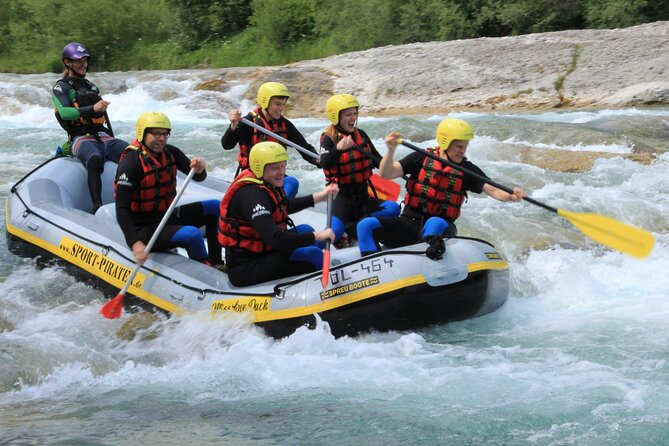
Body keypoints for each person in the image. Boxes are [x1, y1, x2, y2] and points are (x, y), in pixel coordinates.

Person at [356, 118, 525, 258]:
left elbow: (493, 189)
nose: (463, 151)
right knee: (365, 225)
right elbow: (387, 173)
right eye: (459, 146)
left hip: (441, 227)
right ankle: (374, 270)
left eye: (465, 146)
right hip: (409, 223)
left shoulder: (466, 170)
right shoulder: (421, 157)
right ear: (446, 142)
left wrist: (510, 196)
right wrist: (391, 150)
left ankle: (428, 258)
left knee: (434, 222)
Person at [218, 141, 336, 287]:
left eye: (283, 165)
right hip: (245, 267)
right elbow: (276, 239)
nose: (281, 172)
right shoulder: (252, 196)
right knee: (313, 254)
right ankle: (324, 291)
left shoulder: (264, 181)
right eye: (275, 168)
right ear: (259, 167)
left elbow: (283, 206)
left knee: (306, 230)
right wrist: (317, 236)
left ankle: (310, 274)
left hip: (264, 252)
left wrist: (320, 196)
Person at [115, 112, 222, 268]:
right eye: (156, 133)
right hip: (143, 228)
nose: (162, 138)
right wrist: (135, 243)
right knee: (192, 234)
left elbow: (199, 177)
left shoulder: (170, 152)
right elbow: (122, 208)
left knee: (214, 206)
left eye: (165, 134)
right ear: (142, 133)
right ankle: (207, 272)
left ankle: (217, 263)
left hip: (166, 216)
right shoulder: (131, 163)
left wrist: (199, 169)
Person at [52, 42, 129, 213]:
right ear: (67, 62)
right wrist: (93, 108)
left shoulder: (91, 87)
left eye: (85, 60)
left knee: (132, 153)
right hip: (79, 138)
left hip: (102, 135)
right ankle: (97, 206)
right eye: (78, 61)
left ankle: (131, 200)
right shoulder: (60, 87)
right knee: (94, 158)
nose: (83, 64)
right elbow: (65, 113)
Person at [320, 94, 400, 244]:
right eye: (347, 114)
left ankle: (352, 229)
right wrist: (337, 148)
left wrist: (393, 156)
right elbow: (324, 163)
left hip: (363, 197)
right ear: (336, 116)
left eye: (354, 113)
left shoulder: (361, 135)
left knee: (393, 208)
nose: (352, 118)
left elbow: (377, 160)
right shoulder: (328, 139)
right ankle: (341, 232)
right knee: (333, 233)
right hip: (341, 198)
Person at [221, 82, 320, 199]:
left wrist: (318, 160)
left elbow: (304, 148)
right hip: (252, 176)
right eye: (277, 104)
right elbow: (227, 145)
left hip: (274, 177)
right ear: (264, 102)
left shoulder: (285, 125)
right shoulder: (248, 122)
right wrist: (233, 125)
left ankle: (280, 210)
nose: (281, 108)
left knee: (292, 183)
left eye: (283, 104)